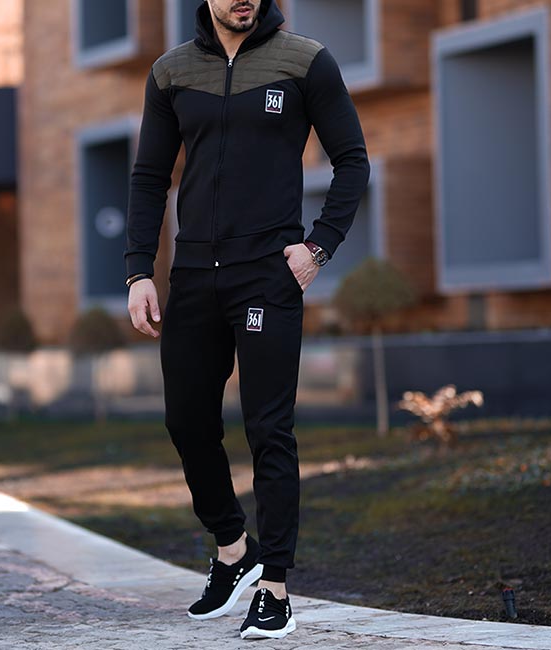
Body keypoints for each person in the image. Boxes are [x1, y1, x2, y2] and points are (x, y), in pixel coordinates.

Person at [124, 0, 370, 640]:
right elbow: (149, 176)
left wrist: (319, 247)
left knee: (269, 430)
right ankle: (234, 549)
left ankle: (275, 586)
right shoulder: (171, 72)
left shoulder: (305, 61)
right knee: (186, 421)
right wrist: (139, 270)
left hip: (268, 273)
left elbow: (352, 160)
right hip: (193, 276)